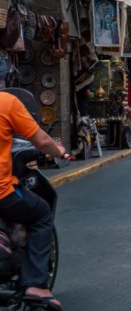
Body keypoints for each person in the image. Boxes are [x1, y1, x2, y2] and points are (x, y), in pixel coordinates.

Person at [0, 92, 70, 310]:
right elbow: (41, 140)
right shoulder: (7, 102)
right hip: (2, 192)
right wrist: (57, 150)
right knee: (40, 213)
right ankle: (36, 286)